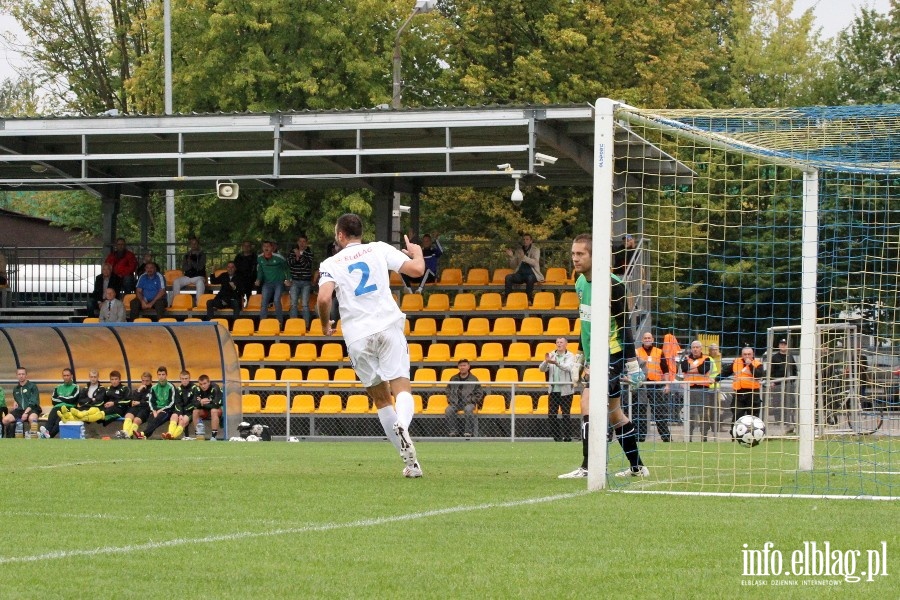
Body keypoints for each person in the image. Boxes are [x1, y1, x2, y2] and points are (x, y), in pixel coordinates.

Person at [316, 213, 426, 478]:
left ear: (341, 235)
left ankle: (411, 464)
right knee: (401, 385)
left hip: (357, 336)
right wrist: (418, 252)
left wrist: (324, 324)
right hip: (387, 325)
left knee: (380, 398)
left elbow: (323, 298)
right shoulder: (378, 248)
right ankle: (404, 424)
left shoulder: (330, 262)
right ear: (359, 233)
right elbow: (417, 270)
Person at [559, 234, 648, 479]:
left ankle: (589, 467)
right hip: (594, 357)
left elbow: (624, 326)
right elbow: (585, 323)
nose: (575, 258)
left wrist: (631, 363)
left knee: (587, 402)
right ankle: (638, 467)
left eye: (580, 254)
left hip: (613, 354)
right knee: (615, 414)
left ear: (594, 256)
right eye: (573, 253)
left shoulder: (614, 284)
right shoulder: (579, 282)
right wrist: (579, 356)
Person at [634, 332, 672, 442]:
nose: (647, 339)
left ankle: (666, 437)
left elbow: (665, 370)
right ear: (642, 340)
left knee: (659, 412)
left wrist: (667, 384)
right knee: (640, 412)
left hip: (656, 385)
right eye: (645, 338)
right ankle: (640, 437)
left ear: (653, 339)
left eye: (649, 338)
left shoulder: (659, 352)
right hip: (641, 386)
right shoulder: (637, 352)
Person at [539, 337, 578, 442]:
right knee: (551, 414)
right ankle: (557, 437)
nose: (559, 344)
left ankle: (567, 437)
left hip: (566, 390)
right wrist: (546, 362)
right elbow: (541, 369)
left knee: (566, 414)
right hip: (553, 390)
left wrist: (556, 363)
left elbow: (568, 367)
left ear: (566, 344)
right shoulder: (552, 354)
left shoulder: (570, 356)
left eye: (561, 342)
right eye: (557, 342)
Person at [719, 346, 765, 423]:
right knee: (737, 416)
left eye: (749, 354)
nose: (747, 356)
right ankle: (736, 433)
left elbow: (758, 375)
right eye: (745, 354)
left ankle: (754, 433)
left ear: (752, 354)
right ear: (742, 355)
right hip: (739, 393)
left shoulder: (758, 364)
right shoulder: (736, 362)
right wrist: (715, 379)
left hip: (752, 393)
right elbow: (725, 372)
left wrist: (750, 365)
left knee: (753, 417)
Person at [680, 340, 713, 442]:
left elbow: (703, 370)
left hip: (702, 389)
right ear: (691, 348)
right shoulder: (685, 358)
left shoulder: (706, 359)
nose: (695, 349)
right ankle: (688, 437)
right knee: (689, 415)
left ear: (701, 348)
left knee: (703, 414)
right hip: (689, 390)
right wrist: (697, 368)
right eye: (693, 347)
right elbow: (684, 368)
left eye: (697, 347)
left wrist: (691, 369)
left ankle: (704, 436)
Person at [444, 358, 485, 437]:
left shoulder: (474, 379)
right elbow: (448, 389)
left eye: (464, 365)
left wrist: (472, 400)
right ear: (458, 367)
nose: (462, 367)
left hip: (469, 403)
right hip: (455, 402)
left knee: (468, 409)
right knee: (448, 410)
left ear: (468, 367)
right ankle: (453, 432)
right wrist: (450, 399)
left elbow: (479, 392)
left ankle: (468, 432)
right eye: (460, 365)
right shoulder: (453, 378)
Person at [255, 240, 290, 325]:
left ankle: (280, 322)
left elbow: (286, 268)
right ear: (262, 248)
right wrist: (258, 279)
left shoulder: (279, 257)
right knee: (264, 302)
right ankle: (262, 322)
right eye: (264, 246)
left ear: (272, 248)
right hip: (267, 283)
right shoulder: (259, 258)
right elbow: (260, 270)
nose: (266, 248)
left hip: (279, 282)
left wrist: (288, 279)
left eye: (268, 246)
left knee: (276, 300)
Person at [2, 367, 41, 438]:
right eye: (19, 374)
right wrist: (15, 402)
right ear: (16, 375)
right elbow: (17, 399)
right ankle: (13, 436)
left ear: (26, 375)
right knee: (5, 420)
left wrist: (26, 413)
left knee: (32, 418)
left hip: (32, 409)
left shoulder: (32, 386)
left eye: (23, 374)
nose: (21, 376)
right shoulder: (16, 389)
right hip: (20, 410)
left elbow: (33, 401)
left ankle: (33, 436)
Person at [768, 338, 797, 434]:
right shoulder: (775, 357)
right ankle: (778, 420)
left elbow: (794, 370)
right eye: (782, 344)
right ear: (779, 346)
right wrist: (772, 381)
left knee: (789, 402)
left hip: (789, 384)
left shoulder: (790, 357)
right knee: (777, 402)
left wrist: (793, 380)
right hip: (778, 384)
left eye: (785, 344)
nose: (783, 346)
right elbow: (771, 371)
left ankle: (787, 420)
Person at [504, 233, 544, 301]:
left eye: (527, 239)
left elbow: (535, 263)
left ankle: (528, 299)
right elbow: (513, 266)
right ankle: (507, 298)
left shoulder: (536, 250)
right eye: (524, 239)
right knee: (508, 277)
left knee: (530, 278)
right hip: (520, 275)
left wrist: (523, 257)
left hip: (532, 274)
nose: (525, 241)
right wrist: (511, 257)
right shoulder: (519, 250)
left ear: (531, 241)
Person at [140, 366, 177, 439]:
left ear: (166, 375)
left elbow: (172, 402)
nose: (161, 377)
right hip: (156, 409)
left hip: (167, 410)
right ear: (157, 375)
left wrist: (160, 410)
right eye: (159, 374)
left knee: (157, 419)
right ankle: (144, 436)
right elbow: (151, 401)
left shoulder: (171, 387)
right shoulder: (154, 387)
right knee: (151, 419)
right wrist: (154, 411)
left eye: (163, 374)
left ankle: (143, 433)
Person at [162, 370, 199, 440]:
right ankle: (169, 433)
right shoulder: (178, 389)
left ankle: (173, 436)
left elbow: (194, 403)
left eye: (186, 379)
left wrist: (183, 413)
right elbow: (178, 403)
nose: (184, 381)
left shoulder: (195, 388)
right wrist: (180, 414)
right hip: (181, 411)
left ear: (189, 378)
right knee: (174, 416)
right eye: (182, 379)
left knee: (182, 421)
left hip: (190, 411)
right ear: (180, 379)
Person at [116, 372, 154, 439]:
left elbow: (151, 402)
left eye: (147, 381)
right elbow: (133, 400)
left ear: (151, 381)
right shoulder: (139, 389)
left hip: (146, 409)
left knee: (136, 420)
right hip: (136, 408)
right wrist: (139, 390)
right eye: (143, 380)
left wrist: (140, 403)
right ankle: (125, 433)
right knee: (128, 416)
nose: (144, 383)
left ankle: (128, 435)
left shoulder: (153, 390)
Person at [45, 368, 81, 438]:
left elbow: (73, 399)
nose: (66, 377)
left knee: (59, 422)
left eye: (68, 375)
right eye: (64, 375)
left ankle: (48, 436)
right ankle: (45, 434)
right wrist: (65, 398)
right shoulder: (58, 387)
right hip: (57, 407)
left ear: (71, 376)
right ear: (62, 376)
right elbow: (53, 400)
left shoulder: (76, 387)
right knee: (51, 420)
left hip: (69, 407)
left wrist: (60, 397)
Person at [170, 237, 207, 304]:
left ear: (198, 244)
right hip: (188, 277)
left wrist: (191, 262)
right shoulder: (187, 255)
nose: (193, 245)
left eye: (195, 244)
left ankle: (198, 303)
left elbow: (200, 267)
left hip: (198, 277)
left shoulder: (202, 255)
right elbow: (184, 268)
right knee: (176, 282)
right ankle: (176, 302)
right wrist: (189, 264)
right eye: (192, 244)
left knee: (200, 283)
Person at [288, 235, 315, 325]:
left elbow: (306, 265)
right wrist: (296, 256)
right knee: (293, 304)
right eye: (300, 241)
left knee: (304, 304)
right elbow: (290, 263)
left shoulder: (309, 253)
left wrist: (299, 255)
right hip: (294, 281)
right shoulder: (292, 252)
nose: (302, 243)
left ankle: (306, 325)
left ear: (306, 243)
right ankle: (293, 324)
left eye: (304, 241)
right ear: (298, 242)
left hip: (306, 282)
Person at [193, 374, 223, 440]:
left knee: (213, 411)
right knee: (195, 412)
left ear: (209, 382)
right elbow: (195, 404)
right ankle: (199, 435)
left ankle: (213, 436)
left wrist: (202, 403)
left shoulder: (215, 387)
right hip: (205, 410)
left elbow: (216, 405)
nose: (203, 386)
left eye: (205, 383)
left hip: (218, 410)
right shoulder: (197, 389)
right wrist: (201, 402)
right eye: (200, 384)